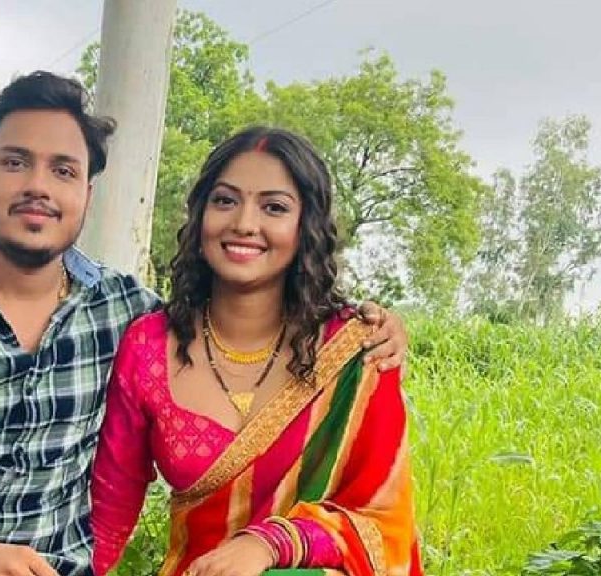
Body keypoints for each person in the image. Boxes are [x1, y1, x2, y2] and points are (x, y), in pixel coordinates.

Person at [0, 72, 409, 576]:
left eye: (62, 170)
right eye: (15, 162)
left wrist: (383, 324)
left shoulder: (125, 312)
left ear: (87, 192)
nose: (37, 186)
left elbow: (112, 500)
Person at [91, 126, 422, 576]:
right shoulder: (149, 346)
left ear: (306, 226)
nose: (244, 223)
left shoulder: (356, 349)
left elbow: (384, 524)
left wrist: (273, 543)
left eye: (274, 207)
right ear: (200, 216)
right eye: (225, 200)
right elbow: (110, 510)